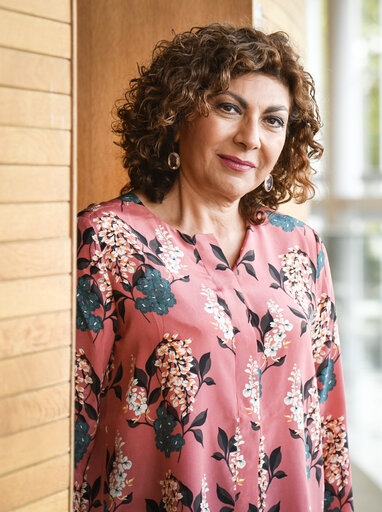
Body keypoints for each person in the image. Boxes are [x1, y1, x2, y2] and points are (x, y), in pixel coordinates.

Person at [74, 23, 353, 512]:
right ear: (178, 113)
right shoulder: (105, 240)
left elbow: (327, 420)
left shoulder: (302, 247)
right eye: (229, 108)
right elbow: (72, 420)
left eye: (273, 120)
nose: (249, 138)